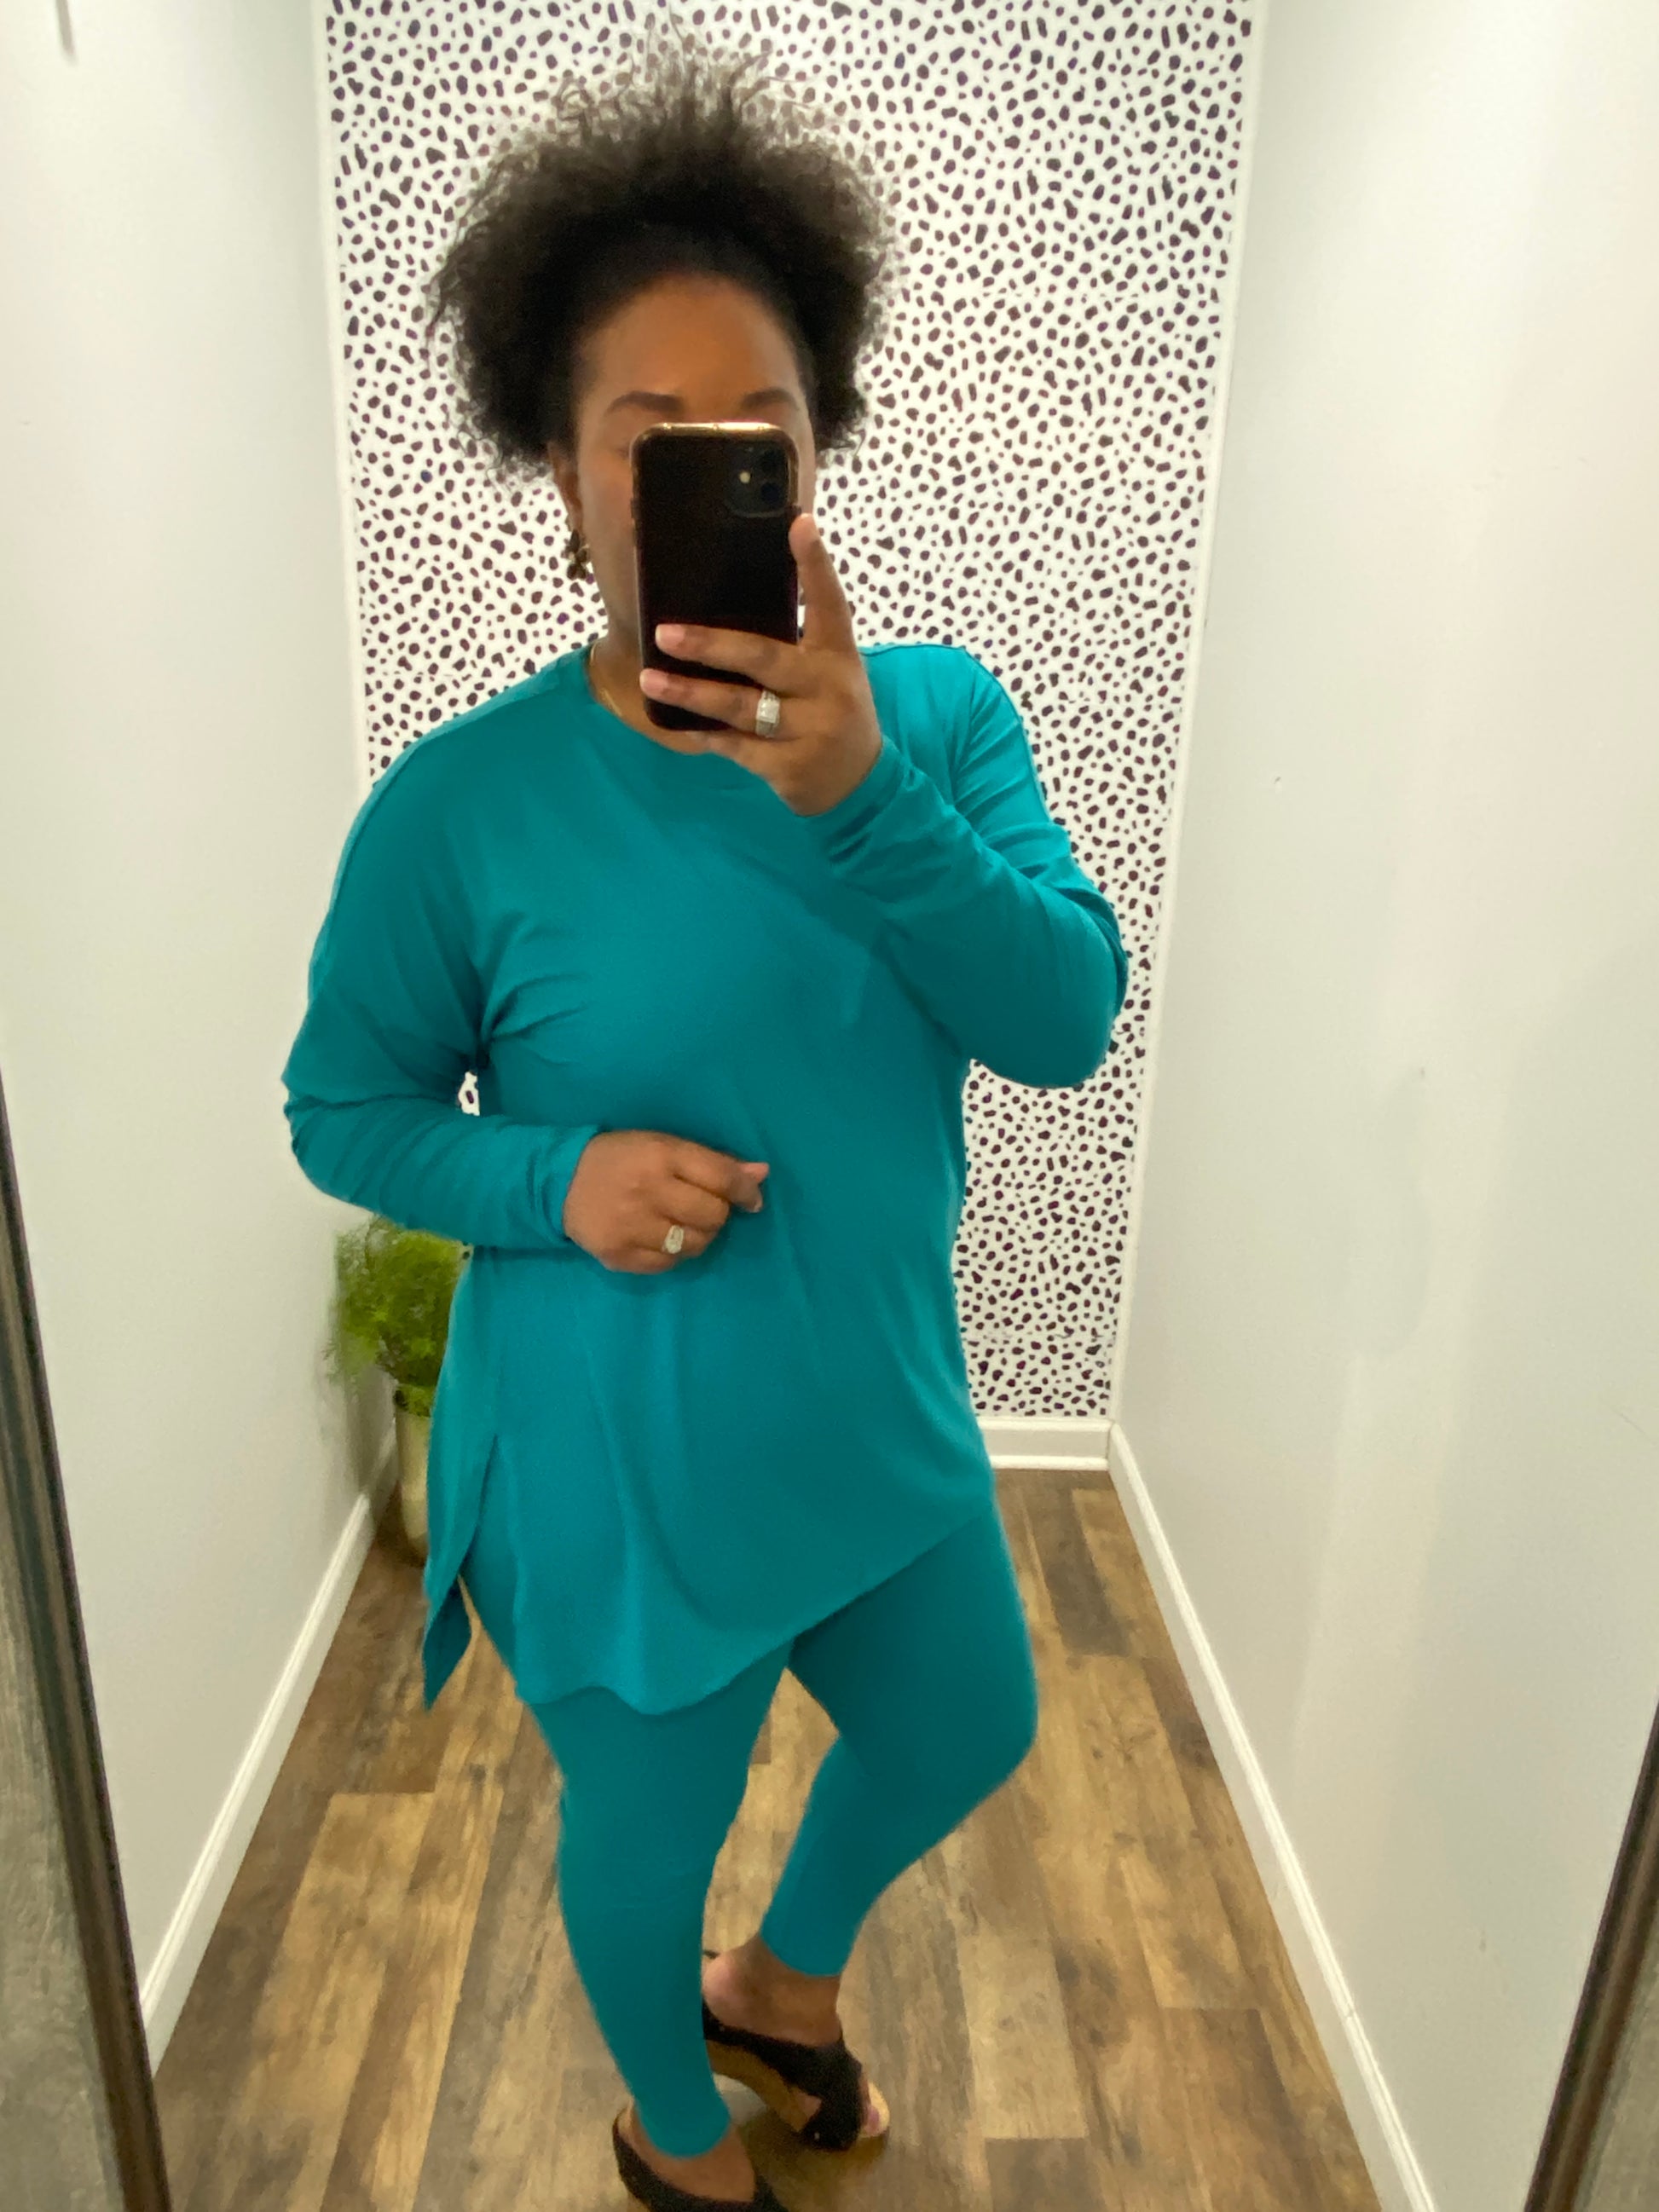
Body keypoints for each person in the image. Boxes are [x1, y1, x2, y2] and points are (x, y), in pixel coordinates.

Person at [281, 32, 1128, 2212]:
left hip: (869, 1397)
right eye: (643, 433)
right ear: (562, 470)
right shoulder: (457, 811)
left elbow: (1062, 1016)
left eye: (751, 429)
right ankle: (672, 2127)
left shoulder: (935, 720)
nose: (698, 469)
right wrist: (551, 1176)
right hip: (619, 1452)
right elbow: (342, 1107)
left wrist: (859, 795)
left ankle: (782, 1979)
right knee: (638, 1843)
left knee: (968, 1714)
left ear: (811, 454)